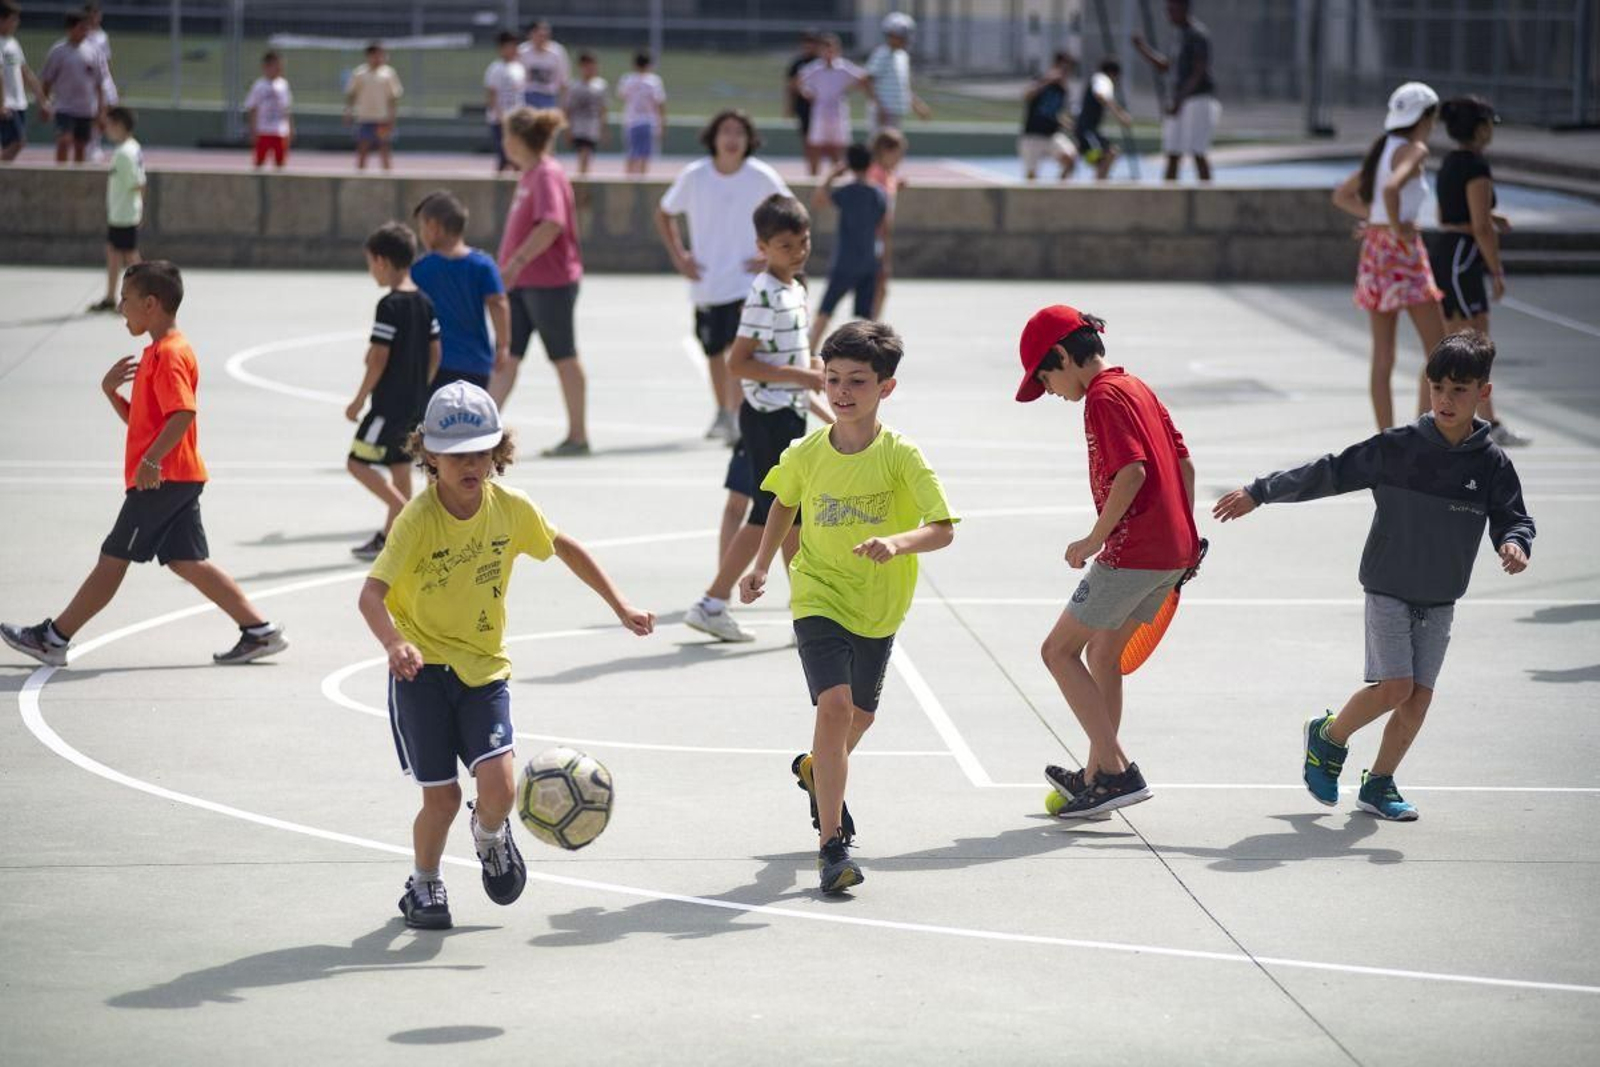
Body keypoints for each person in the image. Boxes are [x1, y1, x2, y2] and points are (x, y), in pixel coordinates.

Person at [358, 381, 653, 930]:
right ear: (430, 457)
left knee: (500, 788)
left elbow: (564, 546)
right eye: (457, 456)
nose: (471, 464)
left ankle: (490, 835)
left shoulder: (510, 509)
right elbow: (370, 595)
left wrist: (620, 604)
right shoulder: (417, 519)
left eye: (482, 452)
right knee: (442, 800)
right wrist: (395, 642)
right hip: (421, 672)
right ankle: (423, 883)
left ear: (498, 453)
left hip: (484, 669)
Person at [1213, 331, 1534, 822]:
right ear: (1427, 387)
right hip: (1388, 585)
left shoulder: (1491, 464)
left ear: (1483, 394)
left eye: (1460, 390)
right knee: (1396, 687)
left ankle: (1378, 784)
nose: (1446, 400)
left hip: (1441, 596)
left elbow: (1513, 516)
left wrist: (1514, 542)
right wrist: (1261, 491)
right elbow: (1331, 471)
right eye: (1438, 388)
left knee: (1418, 699)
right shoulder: (1398, 448)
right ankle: (1328, 738)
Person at [737, 320, 957, 892]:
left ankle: (816, 770)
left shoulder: (901, 456)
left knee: (858, 719)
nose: (841, 391)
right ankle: (832, 846)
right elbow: (782, 502)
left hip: (880, 605)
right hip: (819, 592)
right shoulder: (807, 452)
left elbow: (942, 528)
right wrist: (762, 564)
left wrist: (898, 542)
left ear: (886, 387)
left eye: (857, 381)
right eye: (832, 379)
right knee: (833, 708)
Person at [1, 261, 289, 670]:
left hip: (162, 480)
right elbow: (147, 422)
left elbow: (183, 414)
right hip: (177, 475)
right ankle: (259, 631)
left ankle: (53, 638)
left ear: (150, 304)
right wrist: (111, 394)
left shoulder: (169, 355)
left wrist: (152, 460)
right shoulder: (158, 352)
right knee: (188, 561)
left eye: (125, 299)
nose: (120, 307)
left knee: (113, 557)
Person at [1017, 305, 1200, 818]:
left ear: (1060, 356)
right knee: (1103, 655)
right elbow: (1183, 463)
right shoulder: (1136, 386)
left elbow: (1133, 472)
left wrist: (1095, 537)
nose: (1049, 389)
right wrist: (1186, 536)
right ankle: (1098, 775)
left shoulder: (1101, 396)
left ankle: (1118, 772)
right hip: (1172, 552)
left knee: (1057, 651)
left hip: (1133, 552)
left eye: (1044, 376)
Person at [683, 194, 820, 644]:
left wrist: (813, 383)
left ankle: (807, 612)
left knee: (790, 515)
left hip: (787, 412)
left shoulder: (795, 289)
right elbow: (739, 362)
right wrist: (803, 375)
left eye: (803, 241)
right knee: (769, 514)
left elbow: (790, 358)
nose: (798, 251)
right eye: (785, 245)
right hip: (767, 418)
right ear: (762, 248)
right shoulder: (764, 293)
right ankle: (712, 603)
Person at [655, 109, 791, 444]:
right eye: (726, 132)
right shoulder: (695, 175)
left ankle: (739, 417)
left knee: (739, 353)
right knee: (714, 352)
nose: (732, 139)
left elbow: (791, 213)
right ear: (714, 138)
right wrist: (679, 256)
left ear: (748, 141)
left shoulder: (761, 176)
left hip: (746, 284)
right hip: (707, 282)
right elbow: (664, 213)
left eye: (739, 133)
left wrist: (770, 255)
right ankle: (723, 411)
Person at [1332, 81, 1446, 432]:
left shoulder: (1382, 149)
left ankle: (1385, 437)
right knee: (1438, 349)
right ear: (1426, 116)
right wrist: (1397, 228)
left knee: (1383, 356)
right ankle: (1424, 430)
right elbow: (1391, 188)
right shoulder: (1414, 148)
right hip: (1400, 251)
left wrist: (1376, 220)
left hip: (1375, 249)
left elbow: (1342, 195)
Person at [1428, 95, 1529, 448]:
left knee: (1457, 345)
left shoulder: (1449, 163)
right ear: (1481, 128)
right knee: (1473, 347)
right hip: (1462, 259)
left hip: (1446, 252)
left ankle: (1473, 421)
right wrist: (1496, 269)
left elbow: (1448, 217)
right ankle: (1486, 423)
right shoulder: (1476, 167)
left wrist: (1488, 218)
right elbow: (1480, 227)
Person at [346, 222, 440, 562]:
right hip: (415, 403)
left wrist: (359, 399)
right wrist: (421, 385)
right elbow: (436, 352)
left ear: (383, 261)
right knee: (399, 468)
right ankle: (391, 537)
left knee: (357, 462)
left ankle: (405, 516)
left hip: (387, 405)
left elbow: (379, 357)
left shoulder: (389, 305)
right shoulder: (425, 301)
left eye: (371, 263)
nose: (371, 270)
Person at [496, 107, 587, 455]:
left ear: (518, 140)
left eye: (506, 135)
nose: (504, 143)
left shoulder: (547, 174)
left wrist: (516, 262)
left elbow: (551, 224)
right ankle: (478, 433)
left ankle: (578, 435)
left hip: (549, 283)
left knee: (563, 356)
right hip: (521, 285)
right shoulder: (530, 174)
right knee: (506, 357)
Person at [409, 189, 509, 393]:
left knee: (432, 420)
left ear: (433, 227)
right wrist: (503, 344)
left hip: (433, 363)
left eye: (422, 227)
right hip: (475, 363)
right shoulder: (484, 265)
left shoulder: (419, 270)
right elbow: (498, 303)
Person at [809, 142, 886, 351]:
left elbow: (818, 200)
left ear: (849, 165)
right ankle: (866, 355)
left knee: (825, 311)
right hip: (868, 261)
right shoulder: (879, 194)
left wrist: (831, 175)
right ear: (871, 164)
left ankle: (808, 352)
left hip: (844, 262)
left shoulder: (847, 192)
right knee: (865, 318)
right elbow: (882, 225)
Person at [1133, 0, 1221, 181]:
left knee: (1197, 151)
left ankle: (1208, 196)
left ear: (1184, 8)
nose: (1168, 14)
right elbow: (1166, 66)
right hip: (1178, 100)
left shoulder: (1198, 34)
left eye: (1172, 9)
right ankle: (1167, 200)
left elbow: (1199, 71)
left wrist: (1179, 100)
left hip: (1197, 99)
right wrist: (1143, 48)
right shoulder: (1178, 35)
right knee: (1173, 152)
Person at [88, 105, 141, 314]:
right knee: (113, 253)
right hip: (121, 213)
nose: (106, 129)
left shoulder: (124, 154)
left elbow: (138, 183)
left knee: (132, 260)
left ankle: (142, 299)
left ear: (119, 125)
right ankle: (111, 297)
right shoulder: (131, 147)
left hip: (124, 215)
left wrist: (135, 210)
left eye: (109, 125)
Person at [798, 34, 870, 176]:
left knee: (838, 147)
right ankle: (814, 177)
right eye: (825, 49)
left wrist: (849, 90)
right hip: (819, 112)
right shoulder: (814, 68)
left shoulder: (844, 67)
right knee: (816, 146)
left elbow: (863, 78)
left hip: (838, 112)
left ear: (837, 50)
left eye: (831, 49)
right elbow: (800, 81)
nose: (828, 53)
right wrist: (807, 93)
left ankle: (838, 176)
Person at [39, 11, 106, 164]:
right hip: (64, 108)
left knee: (80, 146)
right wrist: (44, 104)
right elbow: (47, 81)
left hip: (86, 109)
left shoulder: (94, 51)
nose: (85, 32)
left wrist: (101, 112)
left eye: (87, 29)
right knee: (64, 140)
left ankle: (77, 180)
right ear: (70, 29)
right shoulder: (58, 51)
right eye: (82, 28)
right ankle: (60, 174)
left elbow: (99, 84)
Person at [1, 2, 53, 163]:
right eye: (13, 19)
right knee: (18, 142)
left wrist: (42, 100)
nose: (16, 24)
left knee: (13, 144)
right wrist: (1, 103)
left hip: (19, 103)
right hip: (7, 104)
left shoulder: (13, 43)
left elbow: (26, 73)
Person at [864, 12, 929, 133]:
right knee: (881, 148)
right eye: (902, 35)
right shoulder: (882, 54)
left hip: (896, 112)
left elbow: (903, 87)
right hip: (883, 114)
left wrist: (917, 105)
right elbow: (868, 82)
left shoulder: (902, 56)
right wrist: (880, 108)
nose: (906, 39)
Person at [865, 128, 907, 318]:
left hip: (881, 236)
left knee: (881, 285)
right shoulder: (875, 174)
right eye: (898, 153)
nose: (900, 158)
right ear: (885, 151)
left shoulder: (887, 174)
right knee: (878, 285)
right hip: (874, 237)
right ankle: (871, 327)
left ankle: (872, 324)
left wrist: (897, 185)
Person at [1019, 51, 1078, 182]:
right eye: (1064, 68)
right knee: (1031, 178)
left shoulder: (1063, 90)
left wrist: (1069, 124)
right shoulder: (1041, 80)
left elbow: (1055, 113)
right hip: (1032, 135)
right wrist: (1047, 81)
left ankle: (1060, 189)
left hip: (1051, 136)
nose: (1066, 73)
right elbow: (1026, 95)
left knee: (1070, 158)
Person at [345, 43, 402, 172]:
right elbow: (351, 94)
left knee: (384, 148)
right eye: (376, 55)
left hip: (382, 119)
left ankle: (388, 177)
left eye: (381, 55)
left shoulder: (388, 73)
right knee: (363, 149)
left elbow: (393, 98)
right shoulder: (359, 73)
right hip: (365, 118)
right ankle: (360, 176)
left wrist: (392, 117)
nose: (379, 58)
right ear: (369, 56)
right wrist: (348, 112)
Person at [1076, 57, 1133, 181]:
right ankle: (1099, 185)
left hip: (1088, 130)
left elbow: (1106, 98)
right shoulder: (1102, 79)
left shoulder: (1097, 79)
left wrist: (1120, 112)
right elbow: (1101, 95)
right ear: (1113, 73)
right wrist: (1120, 116)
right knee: (1107, 154)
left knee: (1110, 154)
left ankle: (1100, 181)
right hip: (1087, 130)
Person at [482, 31, 525, 174]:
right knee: (504, 155)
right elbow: (491, 94)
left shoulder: (519, 68)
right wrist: (500, 116)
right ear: (501, 49)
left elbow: (520, 94)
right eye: (509, 46)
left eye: (514, 46)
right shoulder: (495, 68)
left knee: (518, 156)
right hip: (500, 120)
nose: (512, 50)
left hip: (516, 119)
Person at [617, 51, 665, 176]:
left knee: (632, 153)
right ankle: (642, 180)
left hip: (632, 122)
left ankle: (629, 179)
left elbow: (622, 96)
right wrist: (662, 124)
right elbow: (659, 103)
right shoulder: (654, 81)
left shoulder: (628, 79)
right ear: (649, 65)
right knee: (645, 155)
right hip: (648, 122)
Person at [243, 50, 293, 169]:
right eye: (276, 66)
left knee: (280, 163)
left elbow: (287, 109)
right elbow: (252, 108)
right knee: (259, 162)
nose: (279, 70)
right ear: (266, 67)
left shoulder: (283, 85)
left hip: (279, 131)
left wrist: (290, 128)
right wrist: (253, 129)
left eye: (280, 67)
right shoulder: (259, 86)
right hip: (263, 130)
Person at [563, 51, 606, 176]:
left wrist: (603, 129)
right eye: (587, 66)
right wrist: (568, 129)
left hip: (592, 126)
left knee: (588, 156)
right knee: (583, 153)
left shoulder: (600, 85)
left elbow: (603, 109)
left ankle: (583, 177)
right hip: (579, 127)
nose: (590, 69)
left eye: (592, 66)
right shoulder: (574, 86)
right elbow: (568, 109)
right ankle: (582, 178)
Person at [784, 30, 821, 174]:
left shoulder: (821, 62)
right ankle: (812, 171)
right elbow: (790, 86)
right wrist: (789, 107)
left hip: (822, 109)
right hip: (804, 108)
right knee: (808, 141)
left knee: (823, 143)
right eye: (806, 42)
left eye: (812, 42)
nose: (809, 46)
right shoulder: (797, 64)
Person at [517, 20, 568, 110]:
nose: (541, 37)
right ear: (530, 34)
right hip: (527, 95)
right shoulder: (522, 51)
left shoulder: (557, 52)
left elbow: (563, 80)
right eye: (538, 34)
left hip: (549, 96)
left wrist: (562, 104)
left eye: (544, 34)